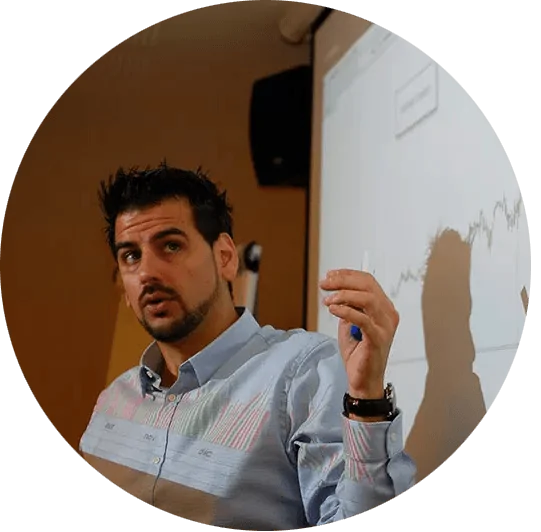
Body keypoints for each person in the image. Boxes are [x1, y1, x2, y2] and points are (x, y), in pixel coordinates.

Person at [80, 161, 416, 529]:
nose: (147, 273)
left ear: (225, 257)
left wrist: (367, 399)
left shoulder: (302, 373)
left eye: (171, 246)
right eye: (131, 256)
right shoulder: (112, 402)